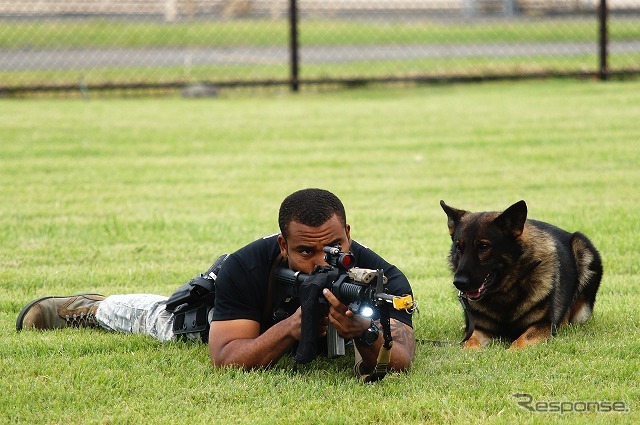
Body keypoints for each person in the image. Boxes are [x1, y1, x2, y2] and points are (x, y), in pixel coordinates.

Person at [16, 188, 416, 375]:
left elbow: (401, 356)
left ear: (348, 233)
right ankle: (90, 307)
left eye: (332, 249)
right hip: (235, 315)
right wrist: (293, 327)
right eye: (305, 252)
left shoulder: (377, 277)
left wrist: (365, 334)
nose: (319, 263)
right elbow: (225, 358)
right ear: (283, 245)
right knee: (170, 320)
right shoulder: (246, 267)